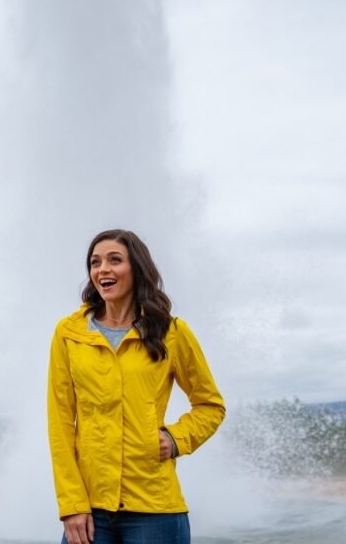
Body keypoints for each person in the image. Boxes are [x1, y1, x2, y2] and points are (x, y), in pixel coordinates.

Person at [47, 230, 224, 544]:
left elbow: (210, 405)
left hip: (155, 508)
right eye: (95, 262)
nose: (103, 269)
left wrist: (176, 438)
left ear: (137, 268)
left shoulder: (172, 332)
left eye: (115, 260)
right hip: (90, 510)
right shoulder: (69, 333)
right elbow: (60, 423)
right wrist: (72, 504)